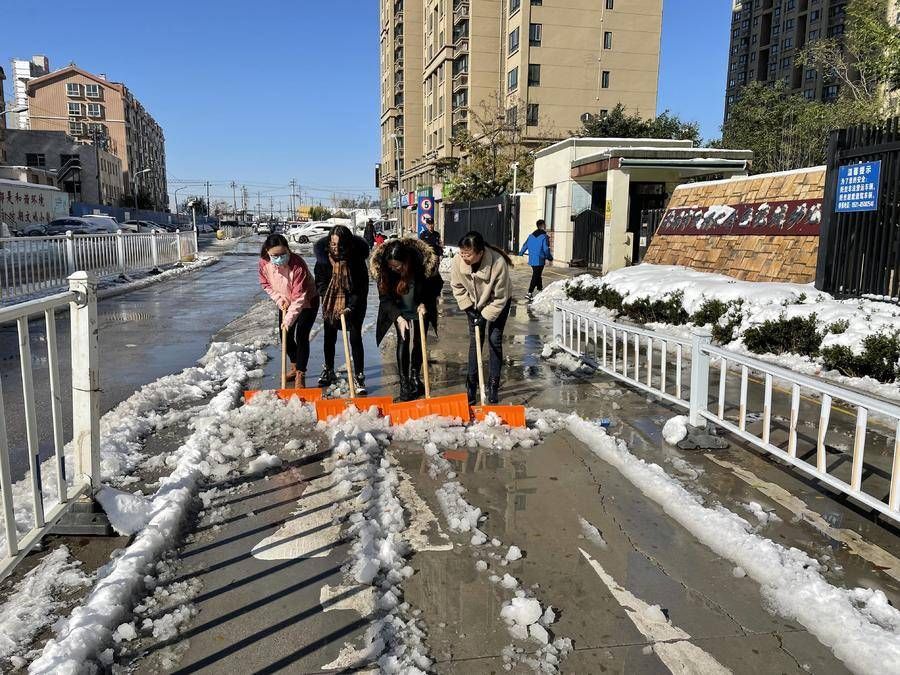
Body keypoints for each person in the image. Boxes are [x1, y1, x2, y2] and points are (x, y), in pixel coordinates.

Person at [371, 238, 443, 401]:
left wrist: (424, 302)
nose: (393, 268)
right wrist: (398, 317)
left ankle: (415, 377)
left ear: (406, 262)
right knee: (403, 339)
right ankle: (404, 384)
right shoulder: (384, 270)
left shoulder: (421, 265)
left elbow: (434, 285)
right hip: (399, 308)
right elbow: (385, 299)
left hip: (419, 307)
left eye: (397, 266)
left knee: (419, 340)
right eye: (391, 265)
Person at [450, 231, 513, 405]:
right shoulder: (458, 261)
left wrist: (485, 316)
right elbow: (457, 287)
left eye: (468, 254)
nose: (464, 257)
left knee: (494, 339)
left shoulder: (498, 263)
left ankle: (493, 385)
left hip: (498, 302)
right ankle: (471, 386)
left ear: (480, 252)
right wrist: (469, 309)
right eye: (462, 253)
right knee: (475, 340)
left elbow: (500, 297)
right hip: (473, 304)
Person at [314, 224, 371, 393]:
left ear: (347, 244)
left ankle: (359, 376)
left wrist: (350, 307)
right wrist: (329, 298)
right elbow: (320, 282)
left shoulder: (357, 261)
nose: (336, 248)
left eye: (339, 245)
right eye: (333, 244)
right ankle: (329, 369)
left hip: (355, 303)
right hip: (331, 303)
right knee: (329, 335)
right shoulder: (324, 260)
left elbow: (361, 288)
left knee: (355, 337)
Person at [258, 234, 319, 387]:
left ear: (288, 250)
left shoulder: (297, 264)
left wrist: (288, 319)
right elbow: (266, 285)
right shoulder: (264, 264)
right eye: (275, 255)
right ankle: (294, 365)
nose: (279, 258)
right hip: (285, 302)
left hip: (307, 301)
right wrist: (279, 299)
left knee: (302, 335)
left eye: (282, 254)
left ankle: (300, 373)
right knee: (285, 335)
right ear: (267, 251)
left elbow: (299, 298)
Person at [519, 219, 553, 300]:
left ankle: (540, 290)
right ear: (542, 225)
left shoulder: (531, 236)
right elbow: (545, 249)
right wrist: (549, 257)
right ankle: (529, 292)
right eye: (545, 225)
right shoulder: (544, 236)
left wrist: (521, 253)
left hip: (532, 259)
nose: (546, 226)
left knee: (537, 274)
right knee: (536, 275)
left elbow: (525, 245)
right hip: (540, 259)